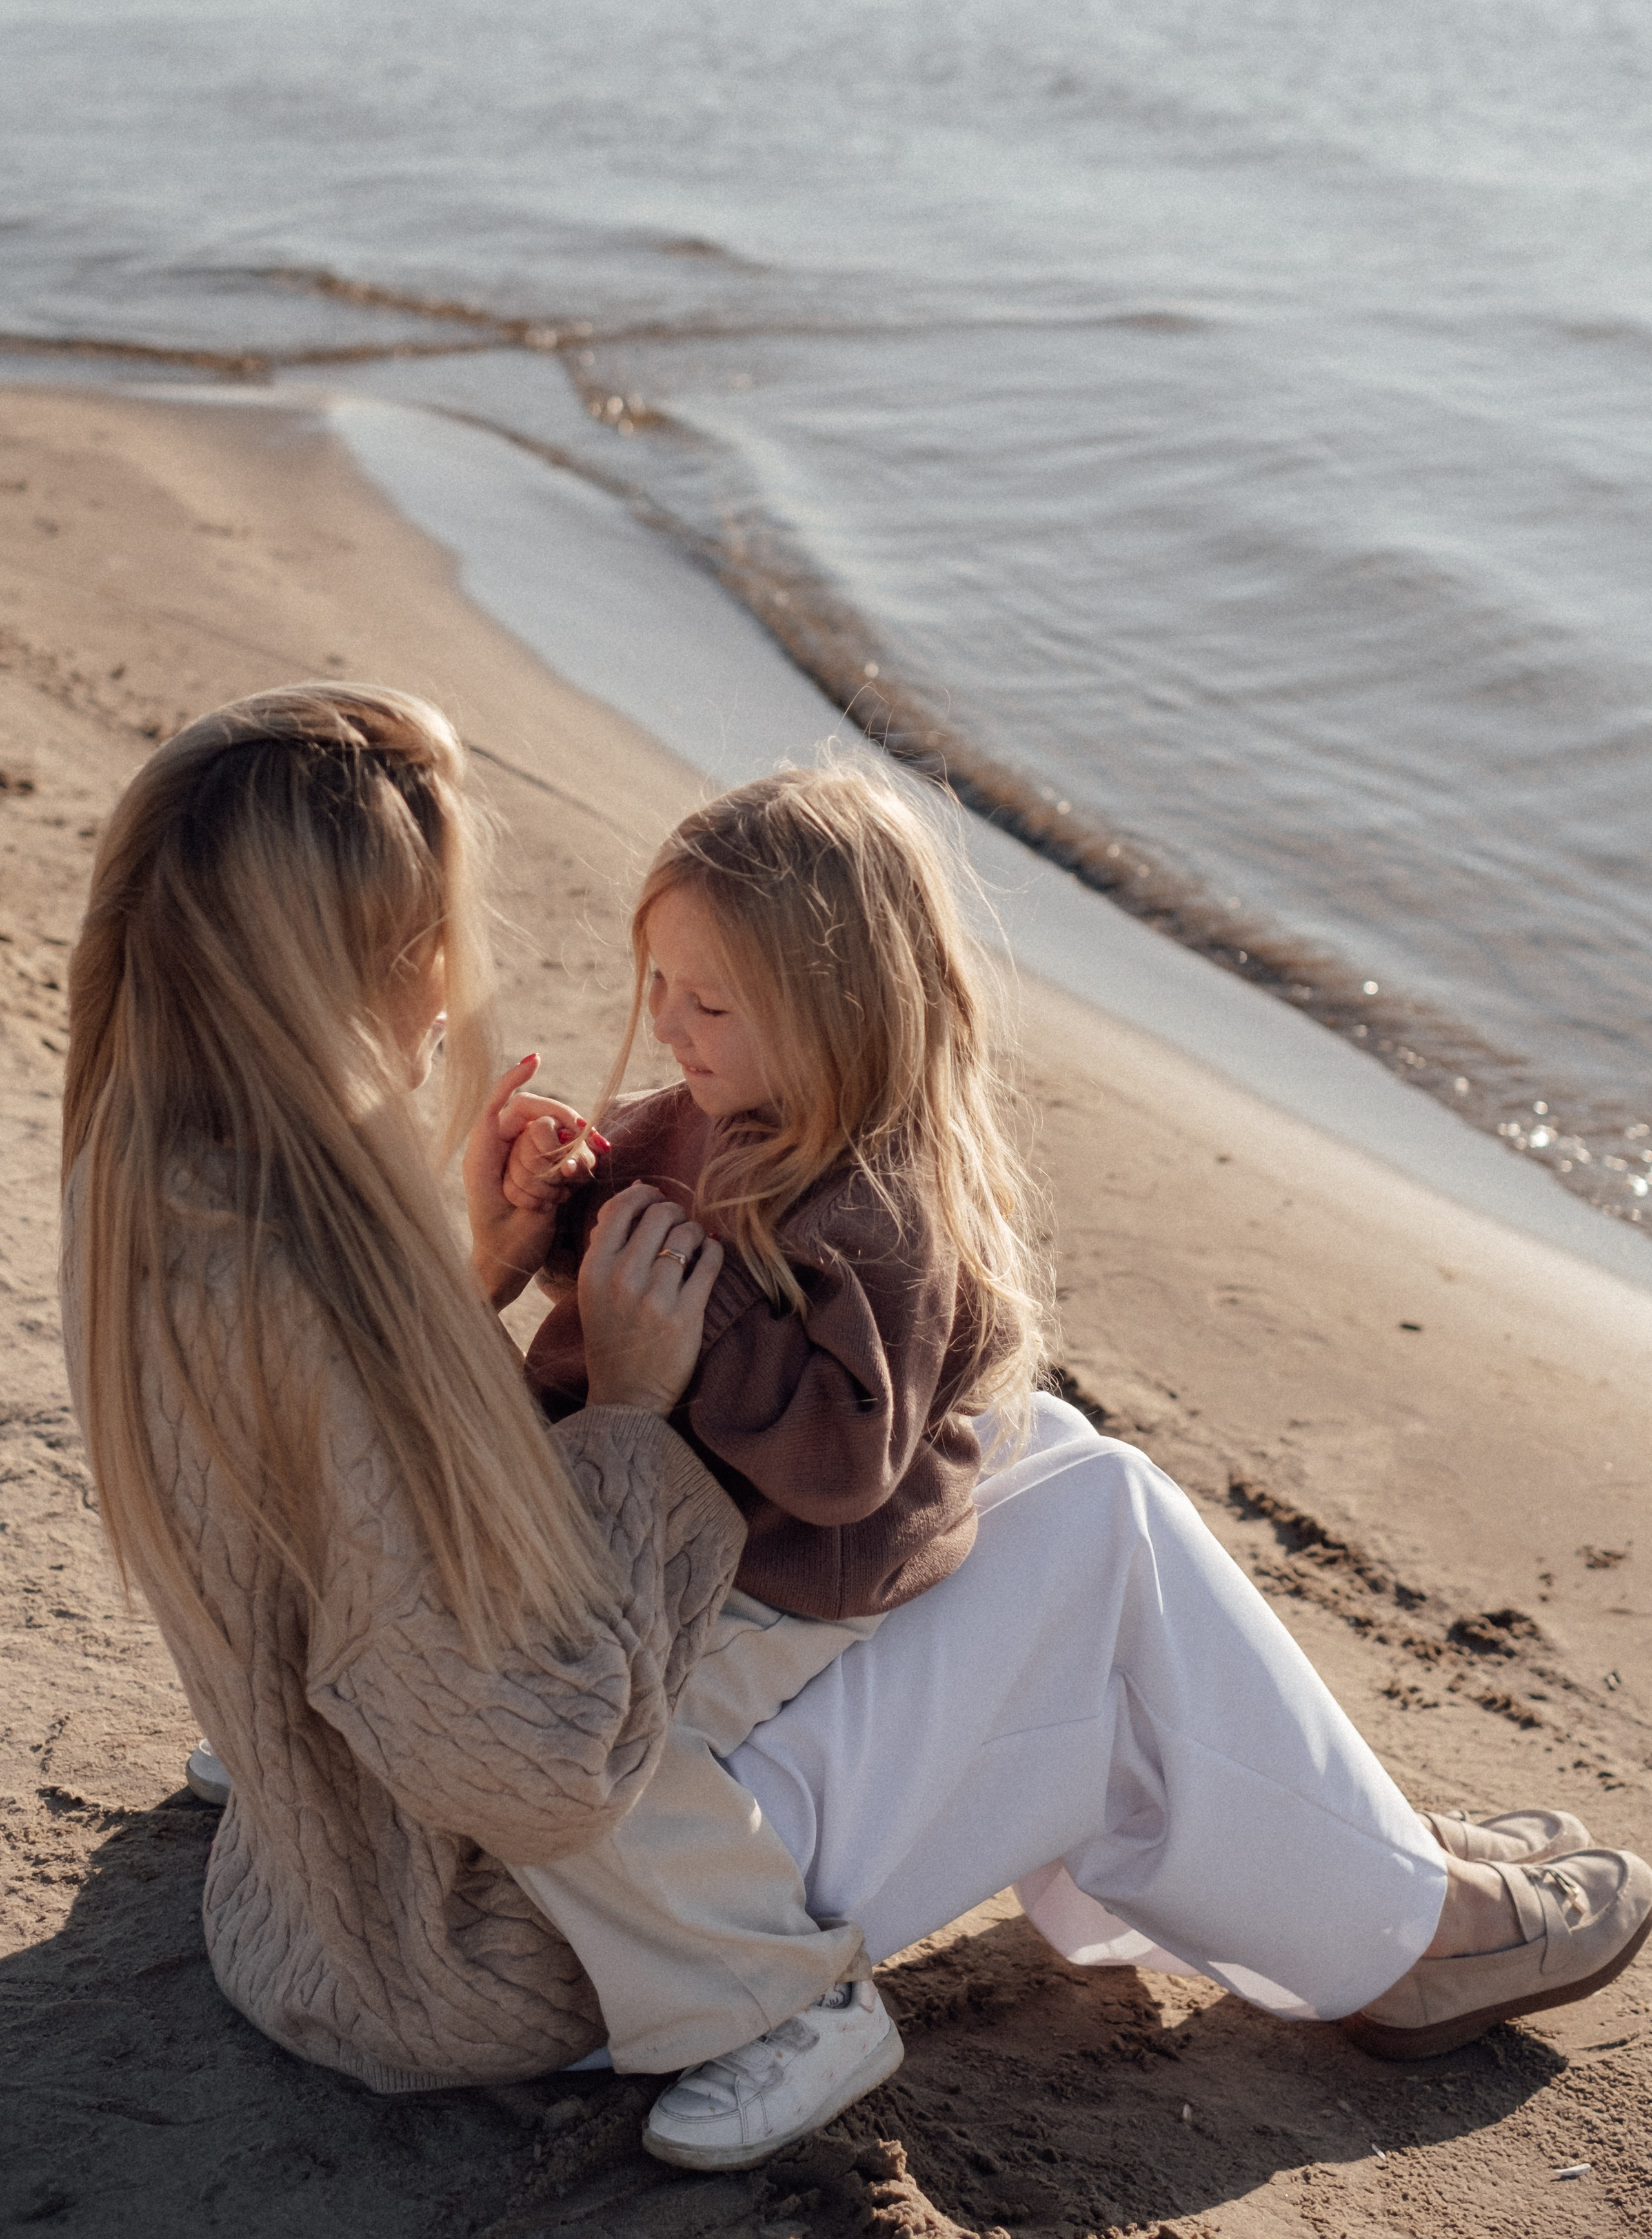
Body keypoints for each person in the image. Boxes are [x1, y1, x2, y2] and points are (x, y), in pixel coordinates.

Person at [61, 686, 1651, 2181]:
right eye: (433, 943)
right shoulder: (293, 1285)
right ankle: (1404, 1928)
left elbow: (347, 1536)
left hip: (335, 1878)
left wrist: (474, 1280)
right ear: (351, 955)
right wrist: (625, 1404)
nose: (452, 985)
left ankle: (1355, 1858)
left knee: (1033, 1451)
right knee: (1095, 1529)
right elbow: (530, 1769)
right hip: (491, 1948)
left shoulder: (157, 1187)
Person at [480, 767, 1049, 2142]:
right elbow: (605, 1233)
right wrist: (551, 1190)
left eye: (709, 1004)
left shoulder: (884, 1216)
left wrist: (700, 1316)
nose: (666, 1027)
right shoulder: (699, 1109)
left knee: (591, 1752)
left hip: (779, 1566)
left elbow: (848, 1459)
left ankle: (788, 2004)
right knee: (429, 1578)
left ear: (844, 1012)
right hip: (625, 1508)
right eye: (658, 984)